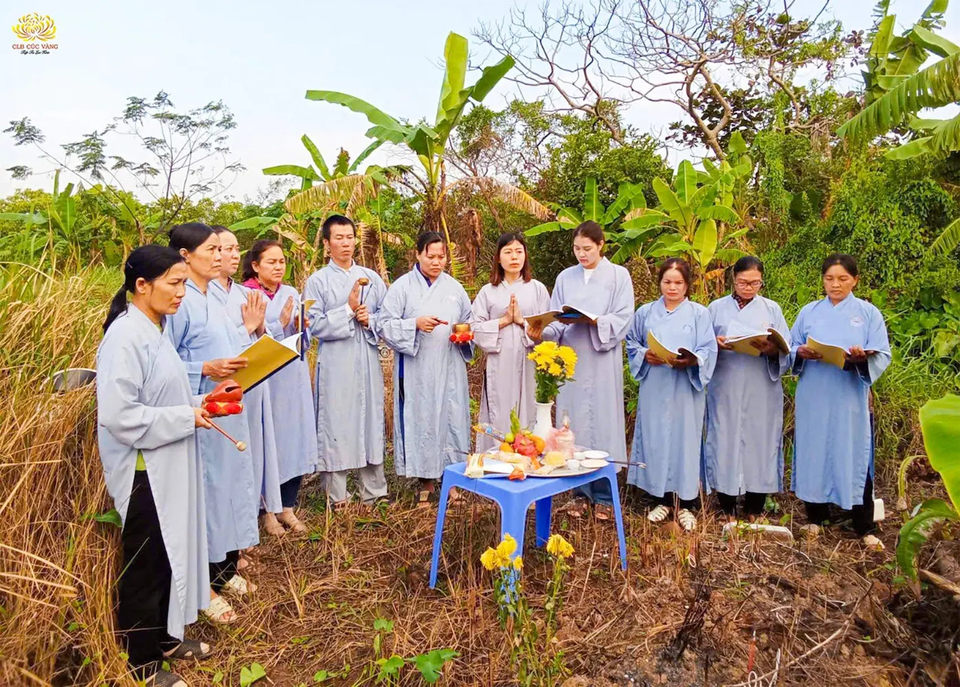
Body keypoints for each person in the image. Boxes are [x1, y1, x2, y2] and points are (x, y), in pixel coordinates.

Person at [97, 245, 213, 686]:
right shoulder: (124, 338)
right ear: (142, 286)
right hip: (145, 471)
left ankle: (164, 637)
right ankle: (142, 662)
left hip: (168, 459)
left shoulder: (156, 329)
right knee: (145, 564)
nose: (182, 292)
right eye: (175, 282)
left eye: (183, 282)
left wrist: (203, 403)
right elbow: (118, 414)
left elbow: (165, 395)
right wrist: (187, 416)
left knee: (169, 554)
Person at [166, 222, 258, 624]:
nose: (220, 256)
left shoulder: (217, 297)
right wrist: (204, 367)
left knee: (231, 488)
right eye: (212, 250)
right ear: (185, 256)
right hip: (203, 411)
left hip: (230, 403)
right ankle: (203, 584)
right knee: (208, 494)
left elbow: (230, 342)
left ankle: (224, 569)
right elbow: (164, 362)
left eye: (222, 250)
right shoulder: (179, 302)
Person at [527, 221, 634, 521]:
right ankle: (578, 494)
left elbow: (624, 316)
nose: (581, 255)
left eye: (587, 249)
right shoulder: (565, 277)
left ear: (601, 245)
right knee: (570, 425)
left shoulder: (618, 276)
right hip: (572, 359)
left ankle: (604, 496)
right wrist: (541, 330)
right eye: (576, 249)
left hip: (601, 358)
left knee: (602, 422)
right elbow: (556, 320)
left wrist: (593, 321)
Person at [790, 253, 891, 549]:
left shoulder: (868, 313)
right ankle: (816, 517)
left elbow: (882, 353)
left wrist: (861, 358)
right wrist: (801, 352)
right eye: (829, 279)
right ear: (822, 280)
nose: (835, 284)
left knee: (854, 452)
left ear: (855, 280)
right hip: (814, 392)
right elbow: (791, 346)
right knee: (814, 450)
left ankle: (864, 525)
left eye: (843, 279)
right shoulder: (809, 312)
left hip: (849, 395)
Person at [379, 231, 474, 507]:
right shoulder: (402, 287)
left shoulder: (455, 289)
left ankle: (452, 482)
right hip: (417, 367)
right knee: (421, 419)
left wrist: (464, 335)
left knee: (451, 419)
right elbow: (385, 323)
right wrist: (414, 324)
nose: (436, 261)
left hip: (449, 365)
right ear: (418, 254)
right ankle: (425, 483)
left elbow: (467, 321)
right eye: (430, 256)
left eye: (441, 256)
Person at [625, 258, 717, 532]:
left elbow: (709, 349)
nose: (673, 288)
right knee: (656, 438)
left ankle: (687, 503)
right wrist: (645, 354)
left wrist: (692, 360)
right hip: (655, 384)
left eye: (678, 283)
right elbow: (632, 342)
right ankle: (659, 499)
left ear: (687, 284)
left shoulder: (699, 314)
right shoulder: (645, 312)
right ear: (660, 283)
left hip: (686, 388)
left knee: (685, 439)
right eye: (667, 282)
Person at [304, 214, 389, 510]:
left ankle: (374, 492)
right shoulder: (317, 281)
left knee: (370, 417)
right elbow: (313, 326)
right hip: (337, 361)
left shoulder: (371, 277)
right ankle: (337, 496)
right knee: (337, 421)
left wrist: (371, 319)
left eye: (349, 237)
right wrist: (348, 311)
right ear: (327, 243)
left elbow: (386, 317)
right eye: (338, 238)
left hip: (366, 358)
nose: (345, 243)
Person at [208, 226, 285, 539]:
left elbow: (262, 336)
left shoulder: (245, 294)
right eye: (224, 248)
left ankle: (251, 524)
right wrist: (248, 327)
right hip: (219, 390)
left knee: (254, 453)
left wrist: (261, 330)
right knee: (225, 461)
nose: (232, 253)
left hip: (254, 385)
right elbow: (211, 350)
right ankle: (228, 540)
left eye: (235, 246)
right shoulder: (198, 296)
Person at [704, 256, 791, 522]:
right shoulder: (716, 309)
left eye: (755, 283)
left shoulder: (771, 309)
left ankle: (755, 507)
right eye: (743, 282)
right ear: (733, 279)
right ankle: (727, 506)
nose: (749, 287)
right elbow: (702, 345)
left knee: (759, 440)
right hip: (726, 382)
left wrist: (772, 348)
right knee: (725, 437)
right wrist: (714, 344)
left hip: (760, 385)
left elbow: (786, 348)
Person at [242, 240, 318, 532]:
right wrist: (279, 323)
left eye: (282, 261)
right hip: (266, 378)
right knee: (267, 441)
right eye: (271, 262)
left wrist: (301, 324)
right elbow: (248, 340)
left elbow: (300, 339)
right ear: (256, 266)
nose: (278, 267)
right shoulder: (247, 294)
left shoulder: (290, 292)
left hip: (292, 375)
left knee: (293, 438)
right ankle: (267, 511)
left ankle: (287, 506)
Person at [470, 233, 551, 452]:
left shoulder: (537, 289)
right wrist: (503, 321)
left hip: (530, 360)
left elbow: (549, 328)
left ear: (525, 255)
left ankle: (530, 458)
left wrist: (523, 323)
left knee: (529, 409)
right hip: (500, 361)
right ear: (498, 258)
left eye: (519, 251)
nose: (514, 257)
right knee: (501, 409)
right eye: (508, 252)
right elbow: (474, 328)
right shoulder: (488, 292)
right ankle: (498, 458)